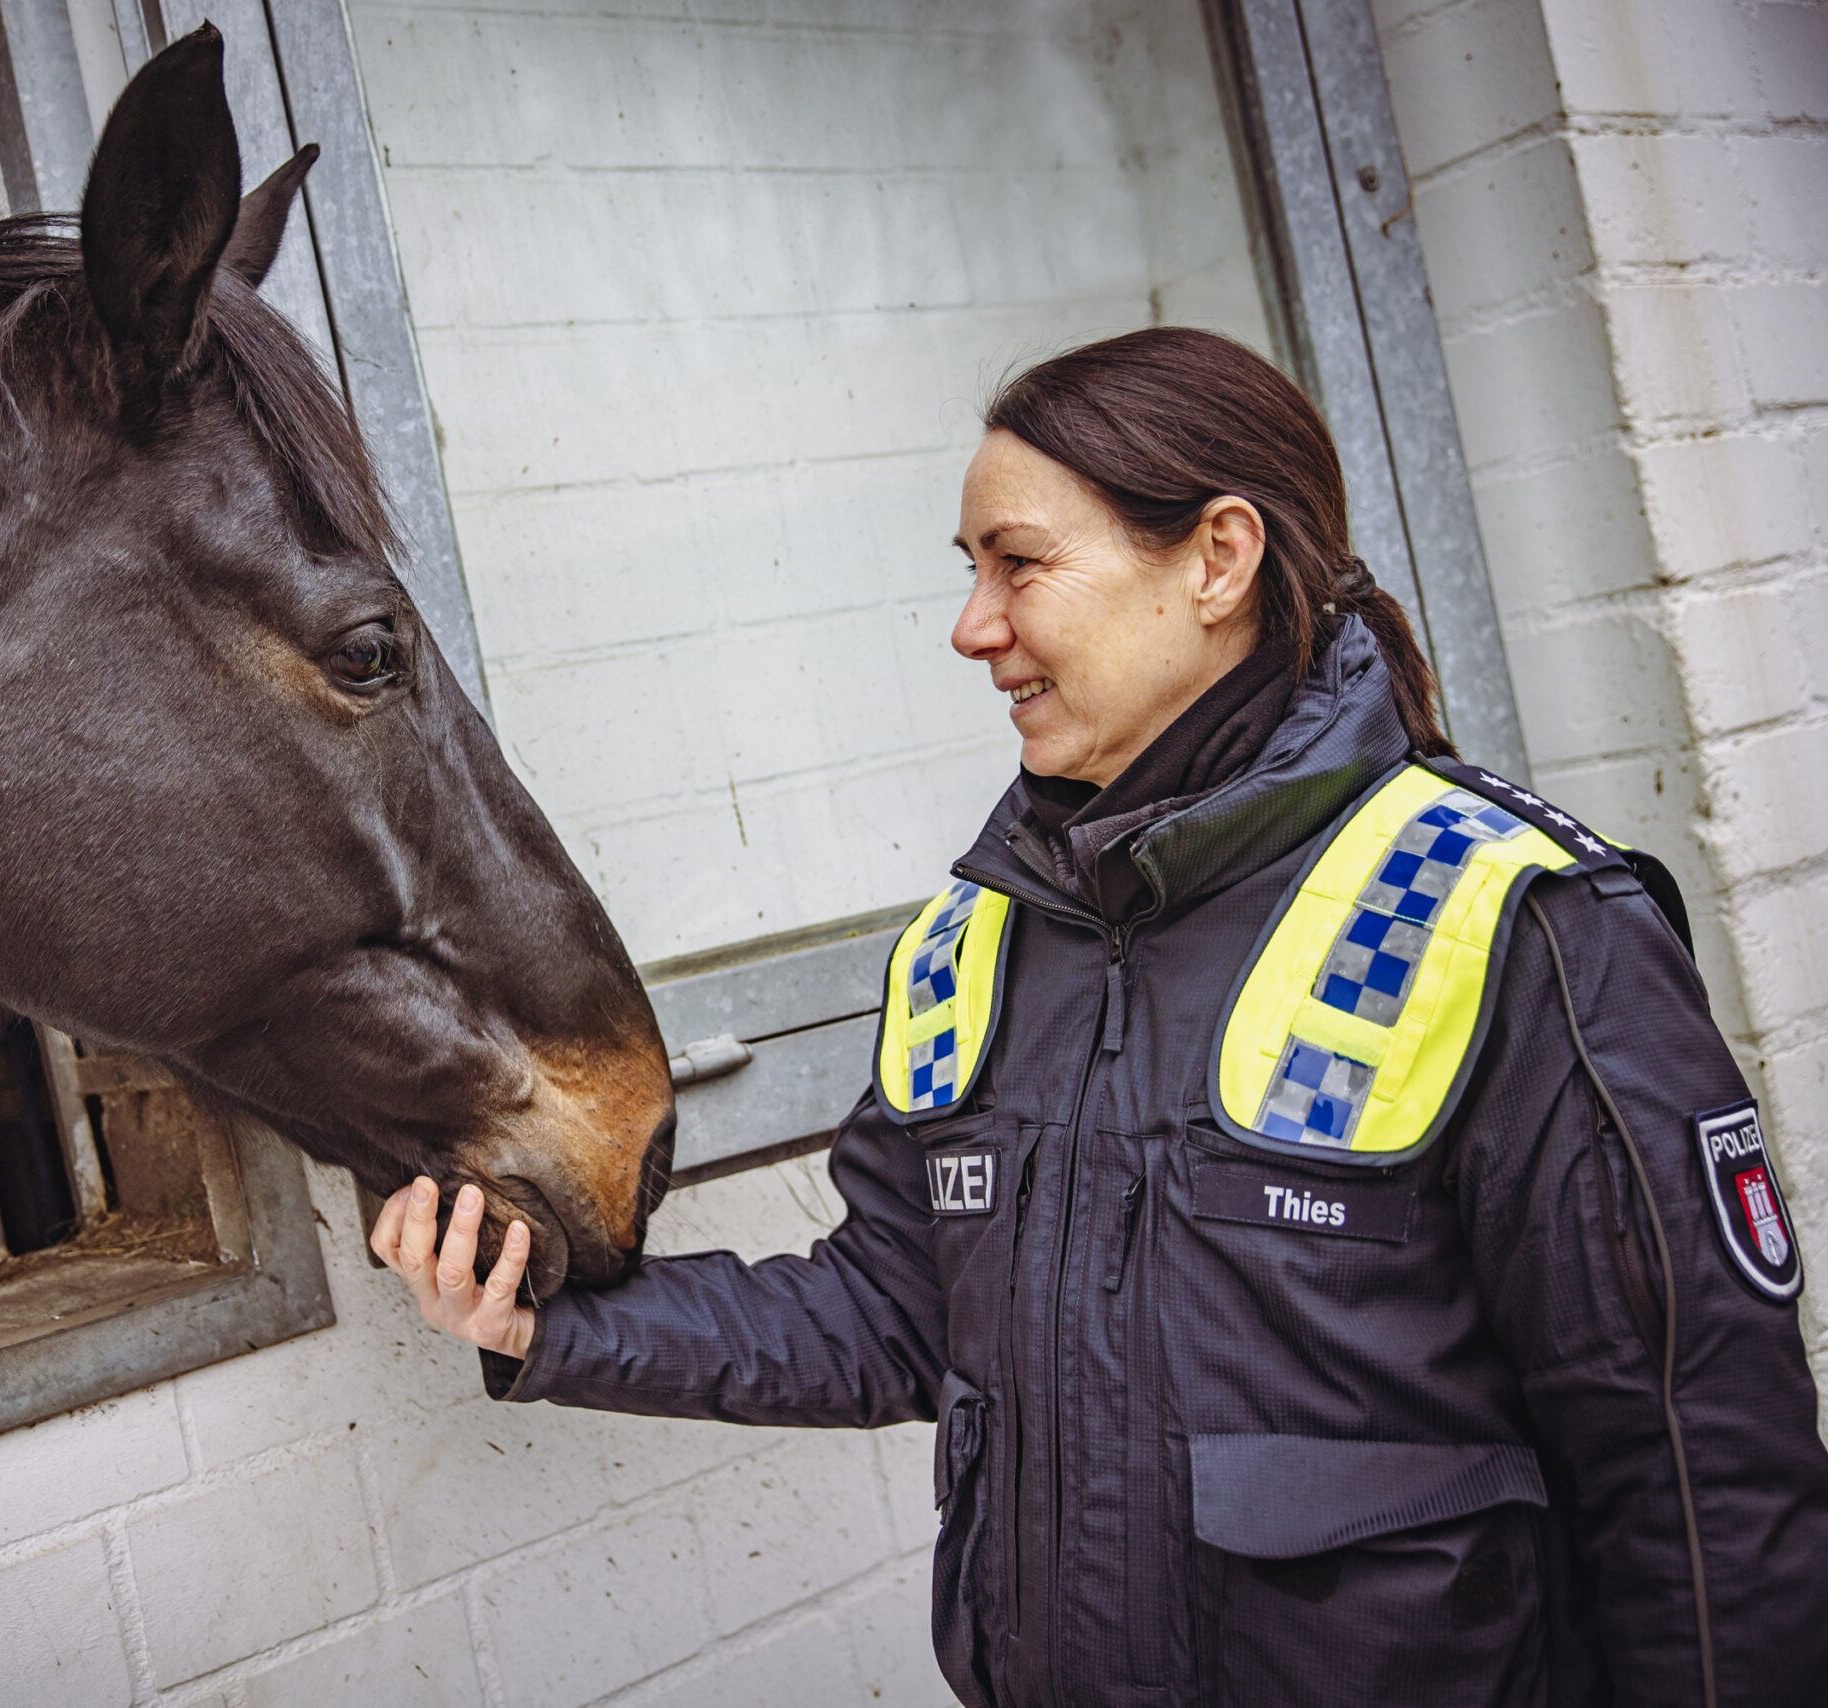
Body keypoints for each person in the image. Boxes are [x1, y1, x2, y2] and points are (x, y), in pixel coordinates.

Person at [370, 327, 1828, 1707]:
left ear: (1217, 557)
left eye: (1019, 565)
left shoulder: (1517, 918)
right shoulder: (978, 939)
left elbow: (1697, 1478)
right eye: (970, 569)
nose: (970, 626)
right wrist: (542, 1318)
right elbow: (891, 1312)